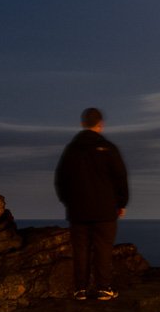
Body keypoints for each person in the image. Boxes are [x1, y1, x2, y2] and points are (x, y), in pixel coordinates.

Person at [54, 107, 129, 301]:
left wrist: (68, 201)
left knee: (81, 249)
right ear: (100, 124)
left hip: (78, 210)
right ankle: (103, 288)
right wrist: (121, 203)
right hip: (105, 210)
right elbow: (120, 177)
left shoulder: (72, 150)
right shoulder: (109, 148)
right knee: (103, 248)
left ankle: (80, 289)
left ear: (82, 124)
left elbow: (60, 179)